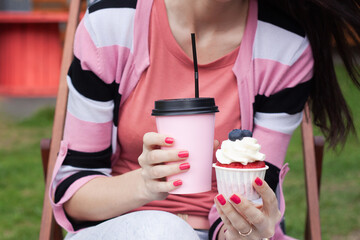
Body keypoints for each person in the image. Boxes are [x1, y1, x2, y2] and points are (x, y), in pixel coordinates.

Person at [49, 0, 360, 239]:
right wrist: (143, 185)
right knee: (163, 232)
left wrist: (244, 227)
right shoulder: (111, 26)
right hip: (117, 228)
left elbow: (256, 193)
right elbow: (74, 192)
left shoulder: (284, 49)